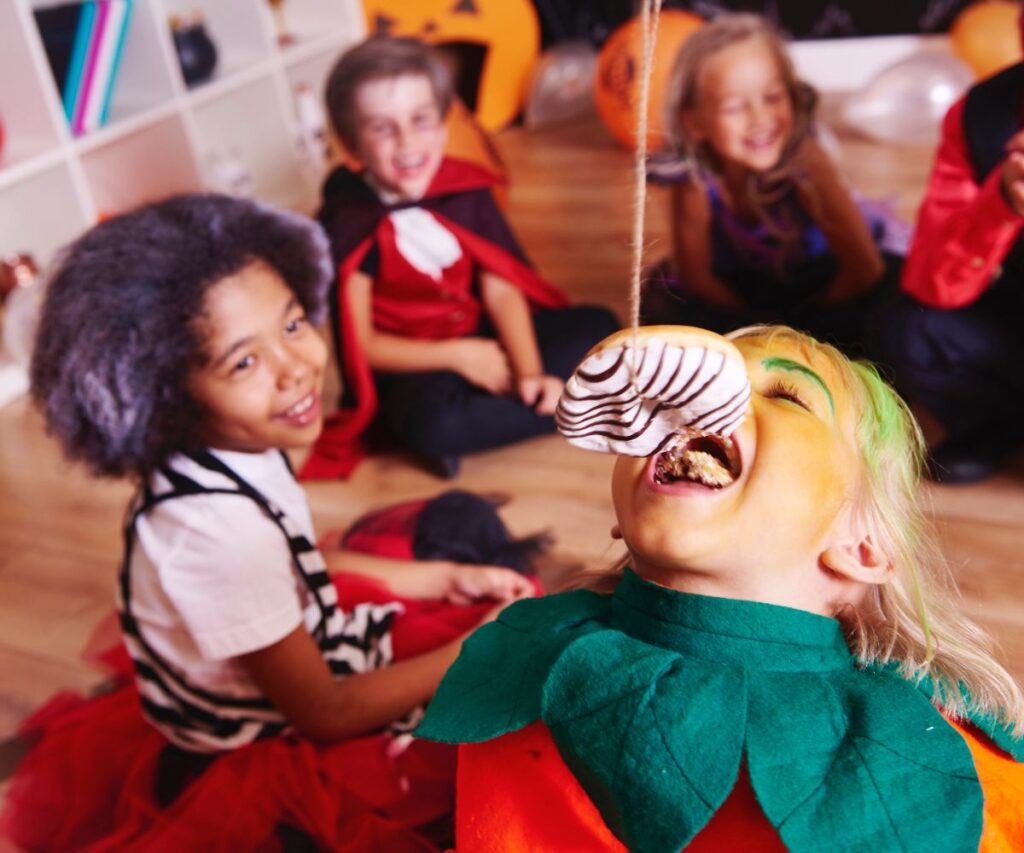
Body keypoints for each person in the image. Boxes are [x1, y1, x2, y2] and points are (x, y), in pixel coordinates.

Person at [2, 194, 536, 851]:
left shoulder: (236, 450)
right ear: (166, 391)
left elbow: (300, 560)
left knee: (466, 557)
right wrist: (472, 652)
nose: (296, 368)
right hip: (273, 732)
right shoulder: (213, 535)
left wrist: (440, 575)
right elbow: (326, 714)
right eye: (244, 362)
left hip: (294, 651)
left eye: (291, 325)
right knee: (503, 750)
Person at [418, 324, 1024, 851]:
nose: (706, 396)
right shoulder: (528, 657)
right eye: (682, 381)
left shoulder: (934, 762)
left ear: (865, 547)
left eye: (786, 394)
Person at [303, 35, 618, 480]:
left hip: (483, 329)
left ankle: (533, 398)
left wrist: (526, 370)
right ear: (353, 146)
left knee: (600, 326)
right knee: (435, 423)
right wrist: (460, 356)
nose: (407, 142)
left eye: (420, 120)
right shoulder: (351, 223)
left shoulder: (464, 189)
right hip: (419, 365)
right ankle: (571, 407)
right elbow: (365, 346)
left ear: (444, 125)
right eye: (382, 128)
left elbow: (502, 287)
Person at [642, 14, 902, 357]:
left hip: (824, 282)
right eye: (735, 107)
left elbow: (864, 269)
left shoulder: (808, 164)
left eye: (773, 97)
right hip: (742, 290)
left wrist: (798, 332)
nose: (760, 119)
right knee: (664, 305)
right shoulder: (694, 182)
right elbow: (697, 279)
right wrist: (758, 330)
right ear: (695, 123)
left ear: (793, 98)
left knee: (891, 307)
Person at [871, 14, 1024, 483]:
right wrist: (1000, 201)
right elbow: (933, 283)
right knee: (913, 327)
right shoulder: (982, 115)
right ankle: (996, 423)